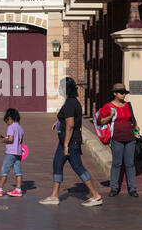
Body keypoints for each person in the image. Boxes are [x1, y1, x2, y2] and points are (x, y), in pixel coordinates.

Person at [40, 77, 103, 207]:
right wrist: (58, 122)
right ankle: (54, 196)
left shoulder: (70, 103)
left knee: (78, 167)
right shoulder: (72, 102)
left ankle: (96, 195)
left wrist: (66, 145)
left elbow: (70, 124)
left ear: (66, 89)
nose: (60, 90)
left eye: (62, 87)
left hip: (70, 143)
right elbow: (67, 119)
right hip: (64, 142)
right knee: (57, 164)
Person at [97, 83, 140, 198]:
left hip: (130, 138)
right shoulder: (108, 106)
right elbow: (99, 121)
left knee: (130, 164)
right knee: (117, 163)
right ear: (114, 93)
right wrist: (110, 116)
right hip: (116, 138)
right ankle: (114, 188)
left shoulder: (128, 105)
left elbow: (132, 120)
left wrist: (136, 128)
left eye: (124, 92)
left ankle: (133, 188)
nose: (123, 95)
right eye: (121, 92)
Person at [0, 108, 25, 198]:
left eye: (6, 121)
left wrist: (4, 140)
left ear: (9, 118)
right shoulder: (20, 128)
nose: (7, 123)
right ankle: (18, 190)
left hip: (10, 152)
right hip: (18, 153)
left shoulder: (11, 127)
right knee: (18, 172)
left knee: (4, 170)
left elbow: (11, 139)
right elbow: (20, 142)